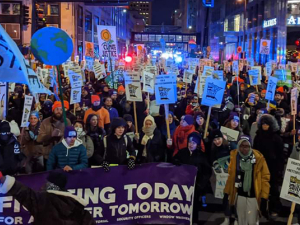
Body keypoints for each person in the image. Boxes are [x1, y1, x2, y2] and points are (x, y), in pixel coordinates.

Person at [0, 171, 96, 225]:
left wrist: (2, 179)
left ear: (51, 184)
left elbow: (23, 192)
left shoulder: (44, 200)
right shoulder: (78, 207)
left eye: (46, 182)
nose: (43, 185)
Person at [224, 135, 270, 225]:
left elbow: (265, 178)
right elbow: (231, 177)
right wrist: (227, 192)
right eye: (241, 146)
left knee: (252, 221)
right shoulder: (235, 157)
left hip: (253, 195)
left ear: (250, 146)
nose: (244, 149)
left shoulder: (258, 158)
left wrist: (264, 197)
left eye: (246, 146)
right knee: (241, 221)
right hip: (239, 194)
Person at [173, 132, 211, 224]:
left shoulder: (201, 155)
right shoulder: (182, 152)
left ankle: (193, 221)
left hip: (195, 185)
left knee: (194, 205)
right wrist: (176, 161)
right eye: (190, 142)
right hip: (182, 184)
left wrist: (201, 184)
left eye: (193, 143)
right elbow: (173, 161)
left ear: (197, 144)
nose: (191, 144)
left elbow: (207, 171)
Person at [253, 114, 284, 216]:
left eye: (267, 124)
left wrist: (280, 169)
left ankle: (274, 208)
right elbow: (254, 151)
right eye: (263, 124)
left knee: (273, 188)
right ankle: (261, 208)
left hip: (273, 167)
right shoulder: (258, 136)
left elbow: (281, 155)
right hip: (260, 166)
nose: (264, 126)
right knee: (260, 187)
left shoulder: (277, 138)